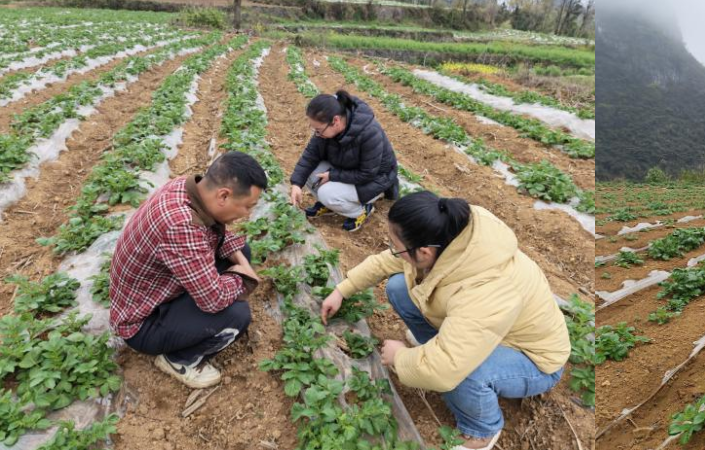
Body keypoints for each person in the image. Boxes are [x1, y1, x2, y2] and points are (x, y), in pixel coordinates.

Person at [319, 191, 569, 450]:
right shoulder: (447, 239)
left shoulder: (486, 288)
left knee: (465, 372)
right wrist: (342, 290)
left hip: (533, 359)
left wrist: (400, 358)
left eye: (397, 245)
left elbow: (446, 369)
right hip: (488, 329)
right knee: (398, 287)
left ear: (424, 252)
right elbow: (388, 261)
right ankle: (433, 346)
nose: (393, 251)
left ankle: (482, 430)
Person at [109, 152, 266, 389]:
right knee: (236, 315)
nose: (247, 214)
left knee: (241, 251)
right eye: (247, 206)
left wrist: (241, 265)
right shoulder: (181, 225)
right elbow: (214, 300)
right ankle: (179, 360)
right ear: (223, 195)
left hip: (157, 290)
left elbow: (220, 237)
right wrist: (244, 277)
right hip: (142, 323)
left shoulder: (188, 187)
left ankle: (189, 316)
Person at [289, 89, 399, 232]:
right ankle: (328, 204)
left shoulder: (369, 133)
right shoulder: (325, 131)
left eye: (319, 129)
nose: (317, 133)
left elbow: (367, 174)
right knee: (311, 175)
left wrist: (333, 175)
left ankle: (360, 210)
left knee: (326, 193)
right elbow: (310, 155)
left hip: (375, 180)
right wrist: (297, 184)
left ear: (335, 121)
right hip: (347, 170)